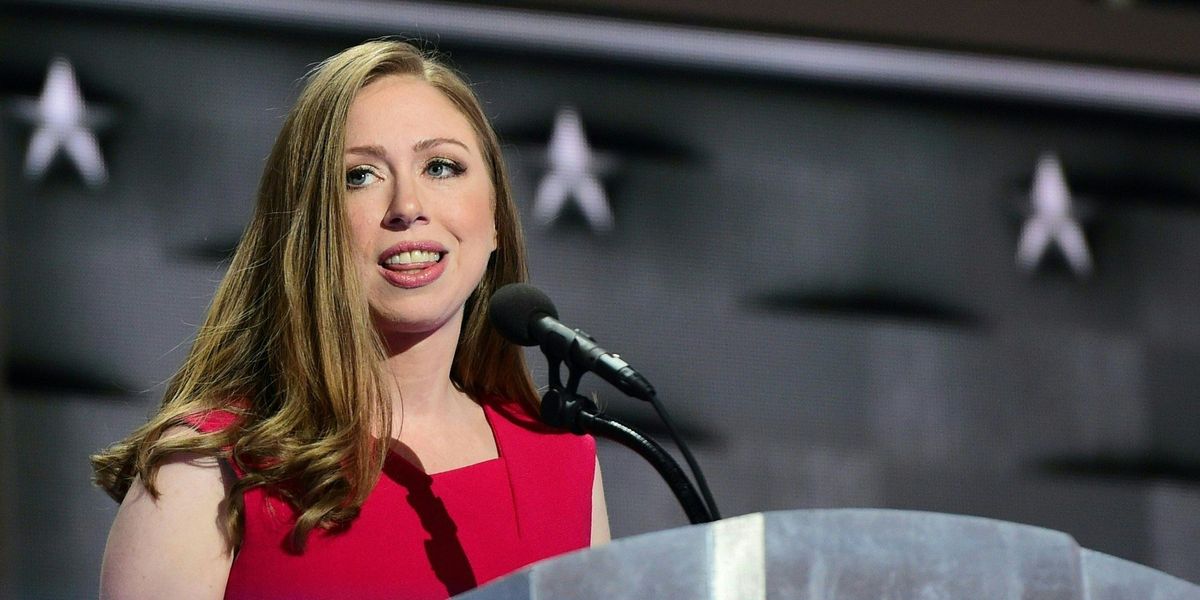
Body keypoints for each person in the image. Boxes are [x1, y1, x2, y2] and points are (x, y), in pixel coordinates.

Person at [91, 39, 609, 600]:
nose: (407, 206)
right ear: (308, 231)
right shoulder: (205, 472)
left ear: (496, 223)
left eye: (441, 166)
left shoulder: (562, 458)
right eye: (359, 176)